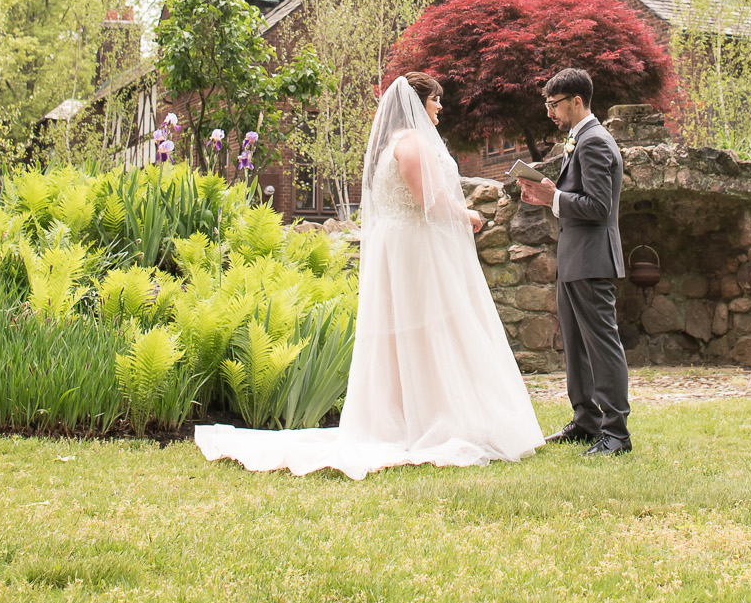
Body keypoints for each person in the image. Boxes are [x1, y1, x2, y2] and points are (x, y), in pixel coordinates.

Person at [195, 72, 544, 479]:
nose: (440, 107)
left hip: (401, 246)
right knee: (429, 328)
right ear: (417, 102)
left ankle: (413, 415)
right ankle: (434, 419)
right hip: (415, 249)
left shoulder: (389, 146)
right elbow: (426, 200)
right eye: (436, 99)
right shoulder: (411, 143)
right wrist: (467, 214)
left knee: (415, 331)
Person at [516, 67, 632, 455]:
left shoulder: (596, 141)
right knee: (576, 345)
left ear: (577, 101)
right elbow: (577, 201)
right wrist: (548, 197)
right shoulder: (578, 140)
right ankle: (586, 421)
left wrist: (554, 198)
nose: (549, 112)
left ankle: (616, 433)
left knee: (602, 345)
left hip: (592, 259)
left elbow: (599, 207)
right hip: (574, 259)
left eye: (554, 104)